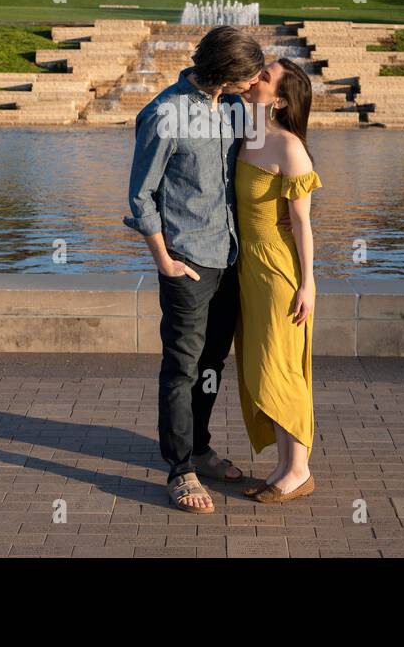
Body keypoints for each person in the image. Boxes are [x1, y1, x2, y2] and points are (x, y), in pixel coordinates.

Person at [123, 25, 265, 514]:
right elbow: (141, 196)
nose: (254, 82)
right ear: (225, 73)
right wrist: (164, 261)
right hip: (187, 262)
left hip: (229, 257)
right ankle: (180, 468)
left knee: (211, 363)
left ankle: (200, 447)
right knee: (181, 367)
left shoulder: (233, 106)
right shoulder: (165, 114)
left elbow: (264, 153)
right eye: (248, 75)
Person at [233, 57, 320, 503]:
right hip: (248, 267)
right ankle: (285, 466)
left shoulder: (289, 148)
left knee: (281, 366)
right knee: (261, 363)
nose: (255, 77)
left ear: (281, 98)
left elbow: (302, 224)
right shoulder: (249, 131)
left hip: (278, 272)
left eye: (263, 76)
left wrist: (308, 284)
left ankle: (300, 470)